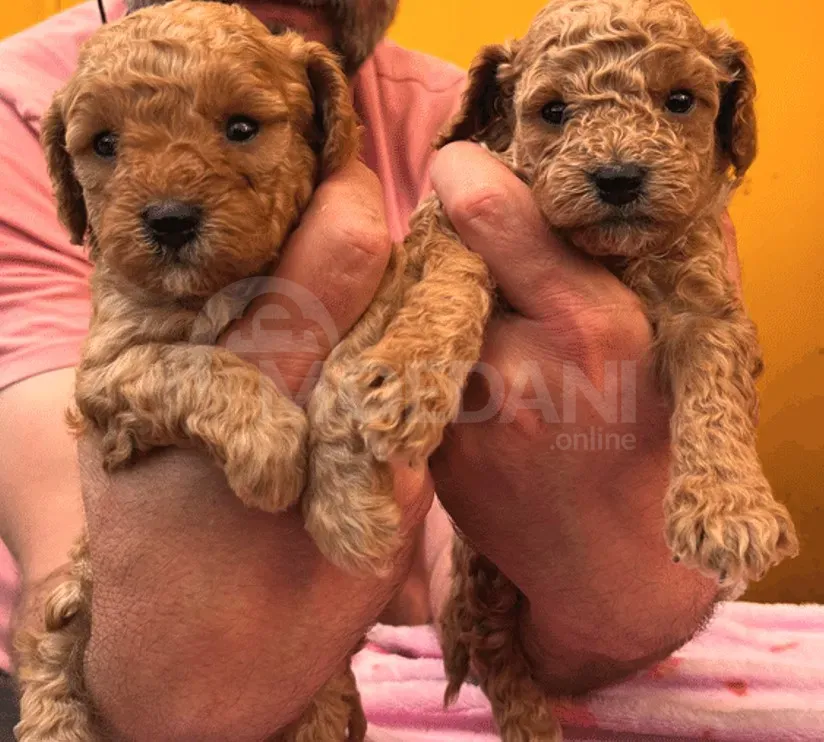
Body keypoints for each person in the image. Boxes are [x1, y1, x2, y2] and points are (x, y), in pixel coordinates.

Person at [0, 0, 730, 738]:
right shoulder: (20, 106)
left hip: (368, 669)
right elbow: (77, 550)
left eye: (242, 128)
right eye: (105, 146)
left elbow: (447, 560)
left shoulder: (515, 111)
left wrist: (614, 581)